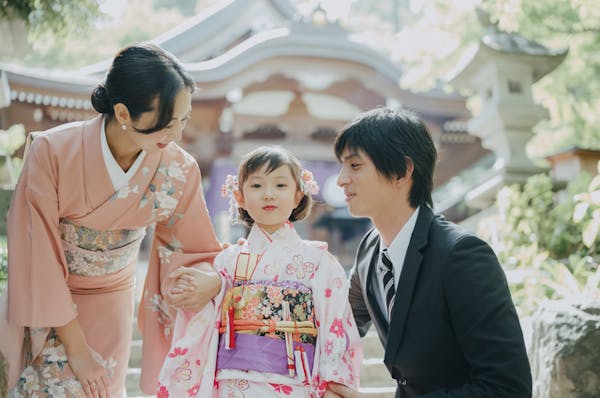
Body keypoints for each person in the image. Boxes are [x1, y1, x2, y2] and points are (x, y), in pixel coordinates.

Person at [0, 43, 223, 397]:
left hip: (113, 303)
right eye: (168, 122)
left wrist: (211, 280)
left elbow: (196, 251)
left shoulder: (179, 169)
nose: (178, 134)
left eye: (183, 120)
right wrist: (75, 347)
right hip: (47, 304)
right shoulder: (52, 151)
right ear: (123, 112)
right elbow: (35, 251)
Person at [327, 107, 532, 398]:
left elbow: (507, 387)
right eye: (341, 166)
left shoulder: (463, 256)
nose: (341, 180)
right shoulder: (370, 250)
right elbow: (337, 323)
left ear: (402, 170)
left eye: (355, 166)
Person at [158, 146, 362, 397]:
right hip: (233, 382)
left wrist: (332, 381)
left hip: (296, 381)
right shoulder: (227, 261)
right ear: (239, 197)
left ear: (298, 196)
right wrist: (214, 288)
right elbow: (207, 319)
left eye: (280, 186)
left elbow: (335, 323)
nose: (268, 195)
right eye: (256, 186)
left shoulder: (319, 261)